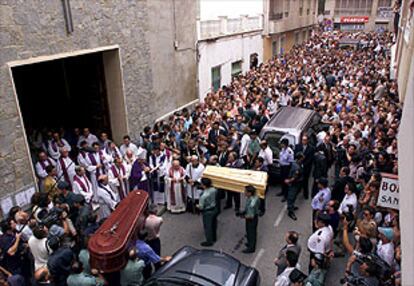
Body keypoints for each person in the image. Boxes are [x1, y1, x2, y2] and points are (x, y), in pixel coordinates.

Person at [237, 185, 260, 253]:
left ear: (249, 193)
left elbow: (250, 216)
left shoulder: (251, 204)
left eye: (245, 191)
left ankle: (251, 248)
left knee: (251, 233)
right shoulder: (255, 197)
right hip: (253, 215)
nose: (244, 192)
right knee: (250, 232)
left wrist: (243, 216)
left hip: (251, 219)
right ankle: (250, 243)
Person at [197, 178, 218, 247]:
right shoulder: (214, 190)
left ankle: (209, 241)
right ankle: (214, 237)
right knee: (214, 224)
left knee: (208, 226)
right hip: (214, 209)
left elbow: (201, 207)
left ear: (204, 185)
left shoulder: (203, 196)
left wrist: (197, 206)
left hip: (207, 211)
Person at [285, 152, 304, 221]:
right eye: (302, 158)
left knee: (295, 195)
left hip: (298, 182)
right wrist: (289, 181)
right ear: (299, 159)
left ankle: (292, 206)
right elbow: (294, 177)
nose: (303, 159)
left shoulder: (298, 164)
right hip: (294, 183)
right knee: (291, 196)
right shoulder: (296, 167)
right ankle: (290, 211)